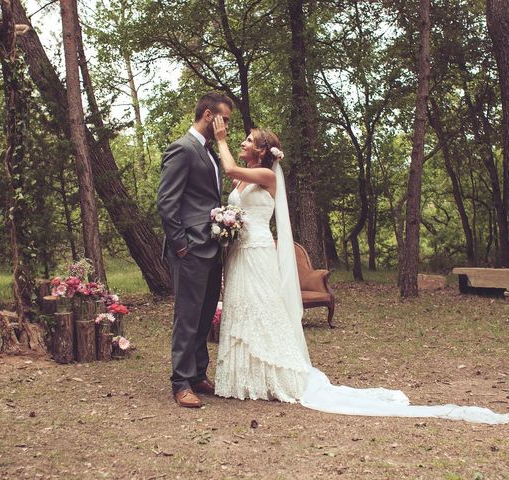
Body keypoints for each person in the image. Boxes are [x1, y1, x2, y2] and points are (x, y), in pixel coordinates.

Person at [211, 115, 509, 424]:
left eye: (247, 140)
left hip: (258, 250)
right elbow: (234, 181)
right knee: (244, 306)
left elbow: (229, 167)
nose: (241, 142)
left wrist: (220, 139)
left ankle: (276, 374)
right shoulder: (246, 180)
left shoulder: (265, 176)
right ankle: (246, 377)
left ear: (261, 152)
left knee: (262, 308)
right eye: (241, 140)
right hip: (240, 251)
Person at [157, 92, 233, 408]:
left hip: (211, 247)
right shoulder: (182, 149)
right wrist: (181, 246)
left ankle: (198, 374)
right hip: (190, 250)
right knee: (187, 317)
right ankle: (180, 382)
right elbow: (166, 202)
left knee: (204, 317)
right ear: (208, 115)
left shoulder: (211, 154)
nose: (227, 126)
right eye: (224, 119)